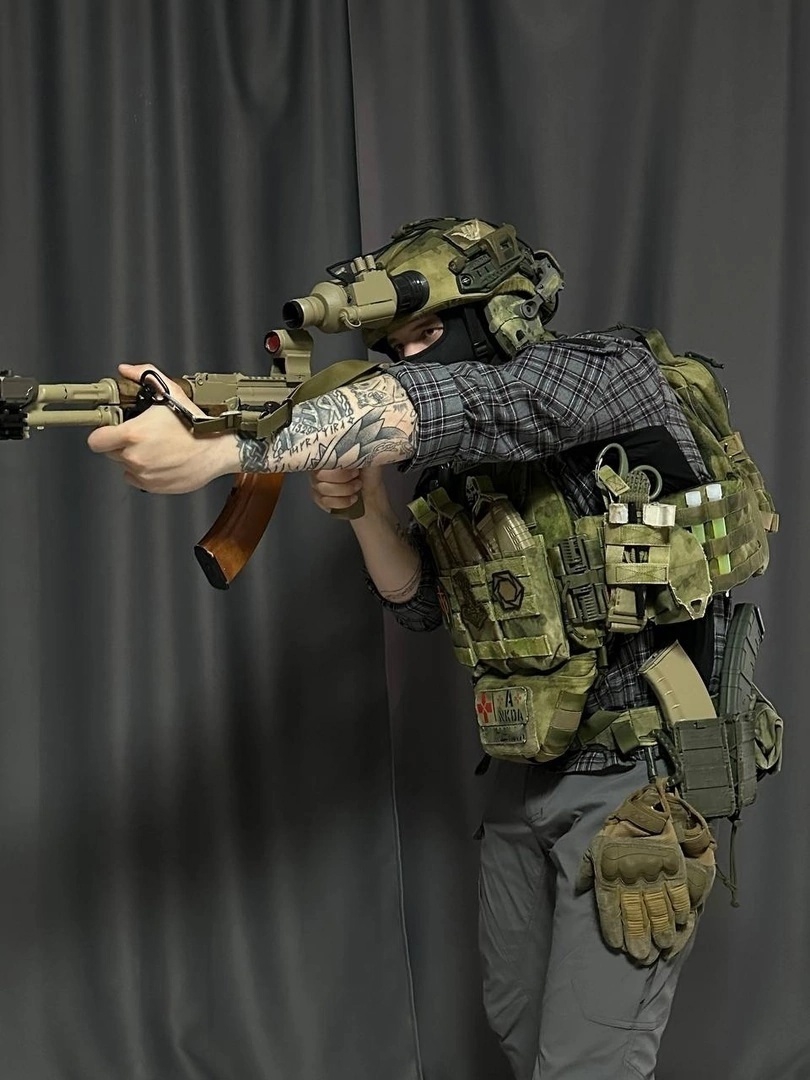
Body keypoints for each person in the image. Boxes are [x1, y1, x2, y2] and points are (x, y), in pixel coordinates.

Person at [88, 217, 776, 1080]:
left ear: (497, 314)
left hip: (638, 777)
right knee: (519, 1026)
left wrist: (230, 449)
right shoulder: (471, 471)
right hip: (530, 774)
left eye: (425, 335)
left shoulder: (604, 374)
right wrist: (365, 508)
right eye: (394, 348)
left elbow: (468, 405)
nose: (410, 358)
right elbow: (422, 604)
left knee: (588, 1062)